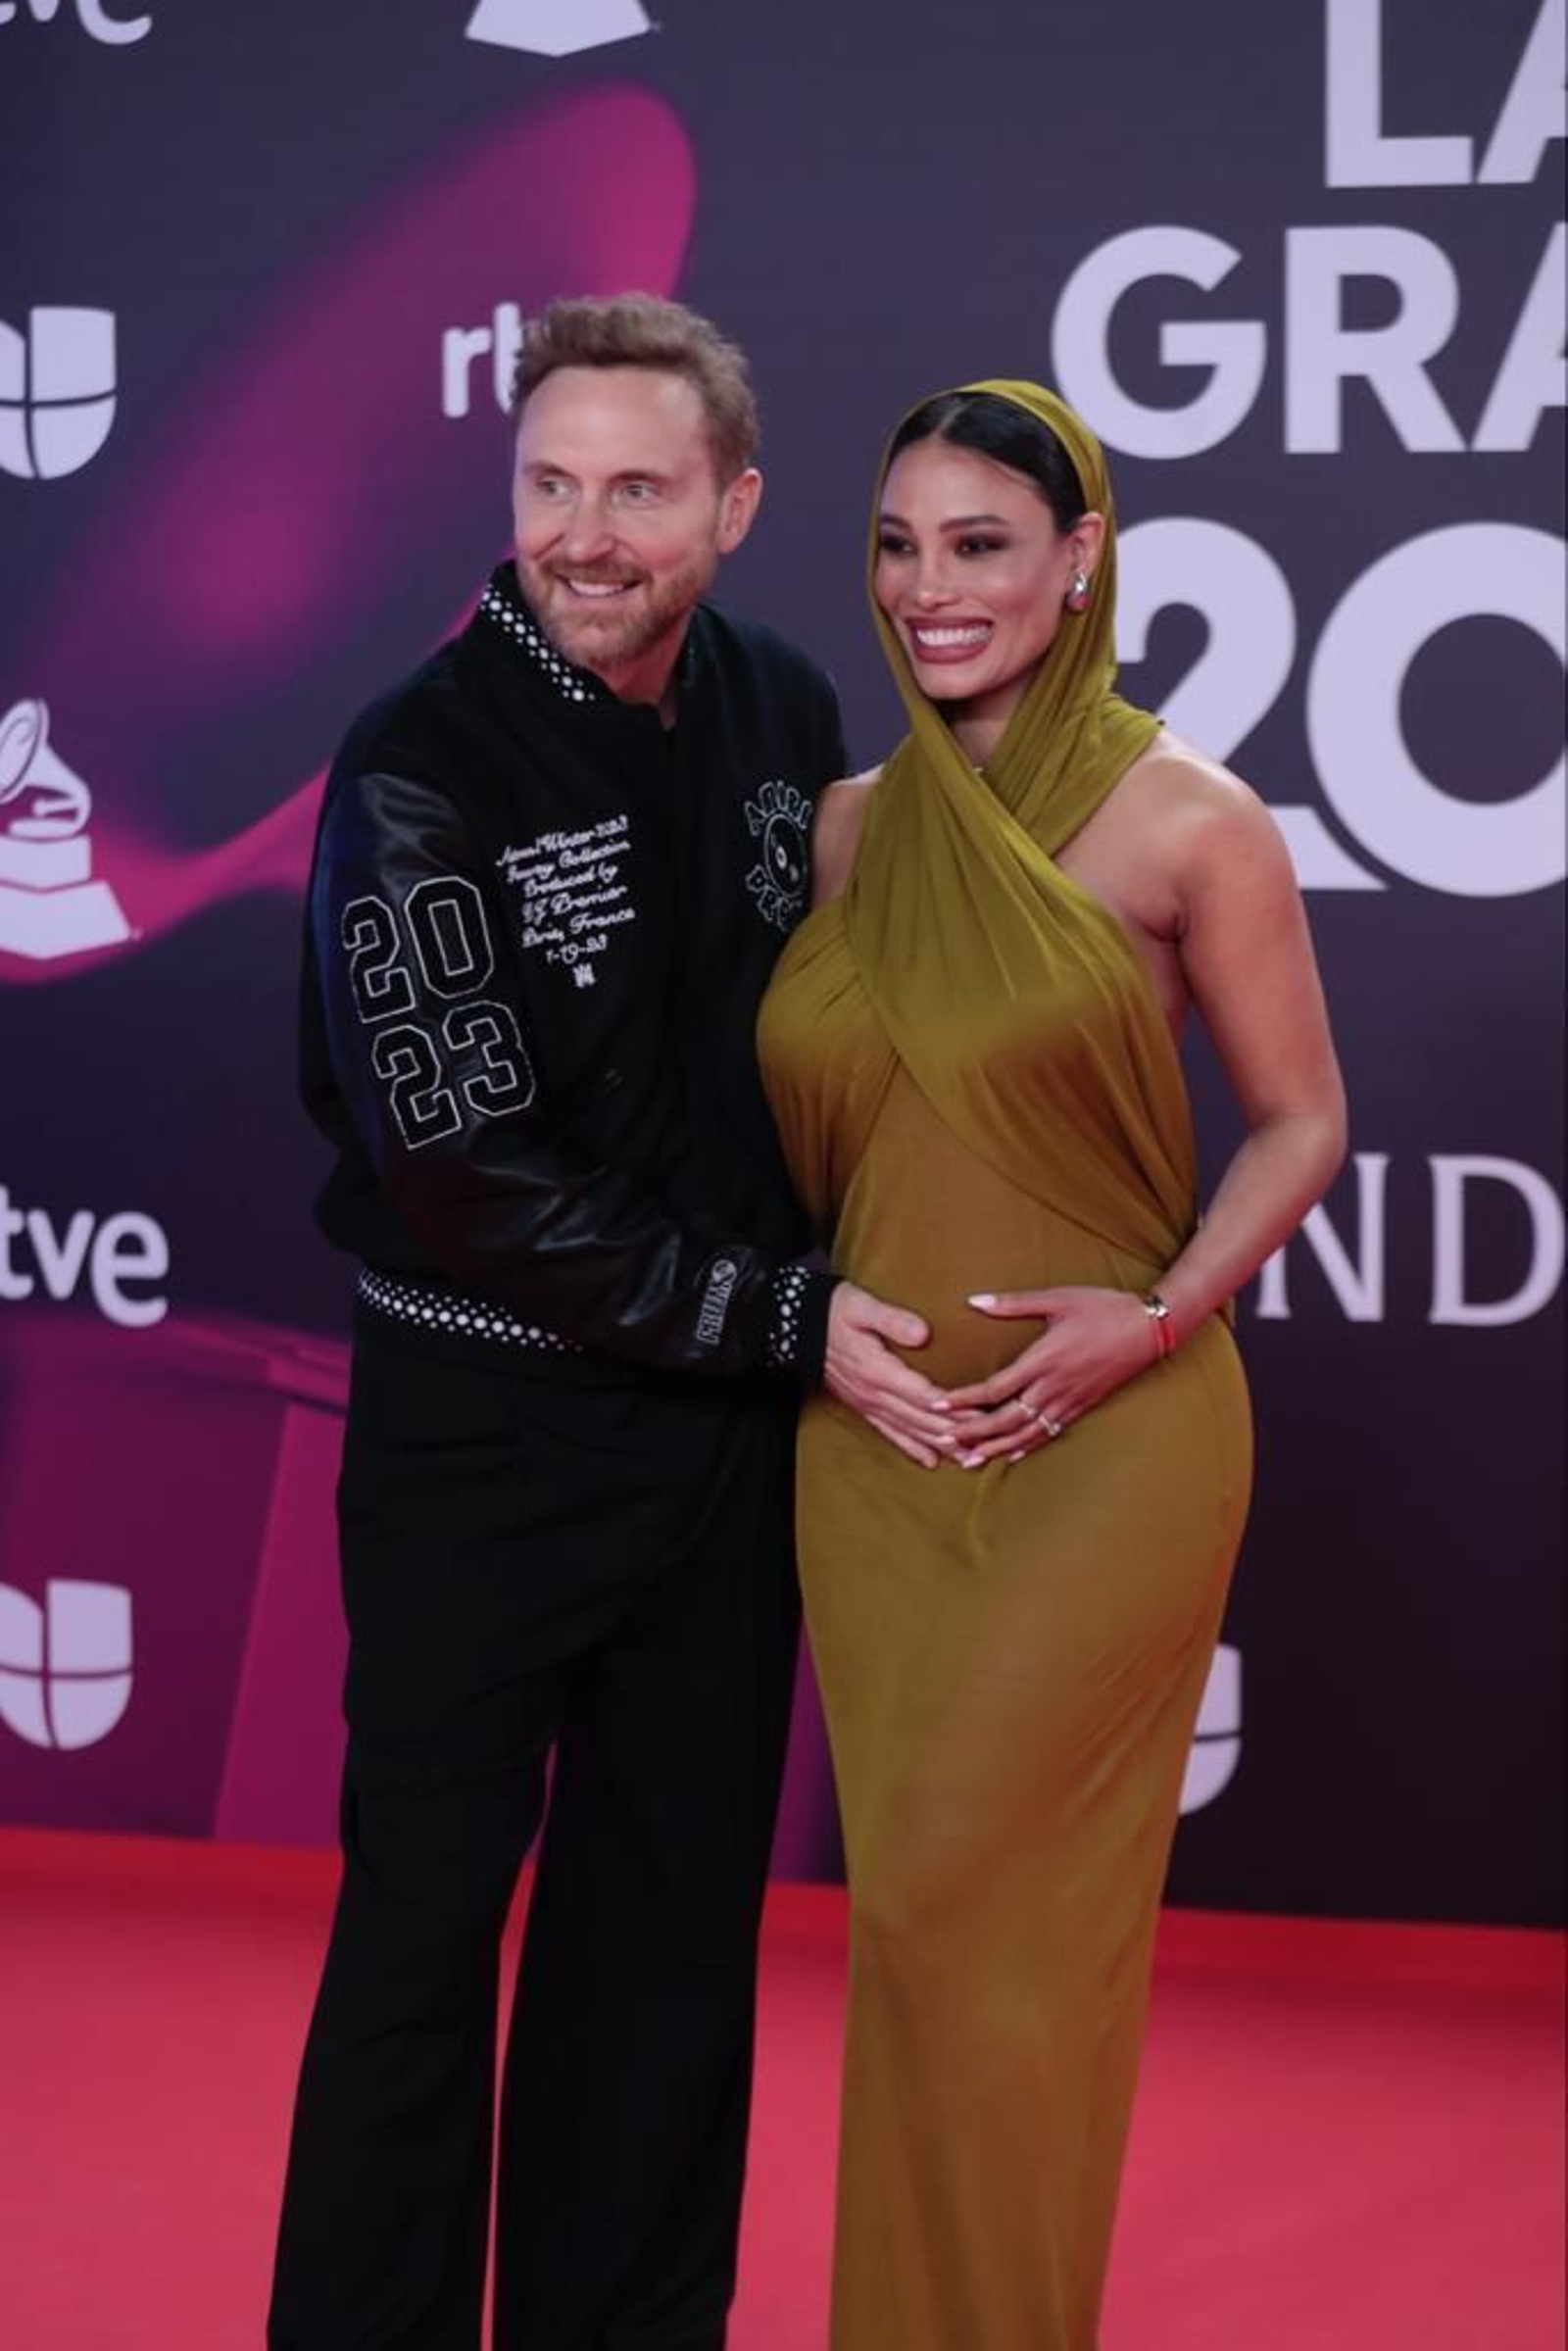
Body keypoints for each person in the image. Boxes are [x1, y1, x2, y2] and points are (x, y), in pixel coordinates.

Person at [269, 294, 941, 2351]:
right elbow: (471, 1179)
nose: (584, 531)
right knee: (416, 1947)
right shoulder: (412, 772)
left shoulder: (779, 701)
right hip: (484, 1439)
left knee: (664, 1957)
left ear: (731, 504)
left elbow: (837, 1040)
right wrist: (782, 1315)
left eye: (637, 490)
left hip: (718, 1456)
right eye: (550, 483)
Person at [758, 380, 1347, 2349]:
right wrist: (809, 1327)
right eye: (897, 546)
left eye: (980, 543)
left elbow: (1296, 1125)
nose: (929, 589)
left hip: (1109, 1443)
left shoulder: (1195, 821)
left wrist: (1159, 1316)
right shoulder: (848, 831)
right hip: (872, 1455)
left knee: (951, 1908)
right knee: (922, 1951)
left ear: (1078, 553)